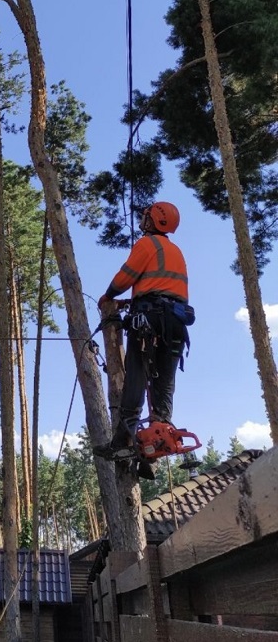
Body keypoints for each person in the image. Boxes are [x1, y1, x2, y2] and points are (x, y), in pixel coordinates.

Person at [94, 201, 192, 479]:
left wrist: (109, 296)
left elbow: (127, 276)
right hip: (175, 322)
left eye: (146, 216)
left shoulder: (148, 244)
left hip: (149, 319)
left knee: (136, 375)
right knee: (163, 384)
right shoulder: (175, 251)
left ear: (154, 221)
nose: (143, 220)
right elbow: (163, 286)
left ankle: (123, 441)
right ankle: (156, 446)